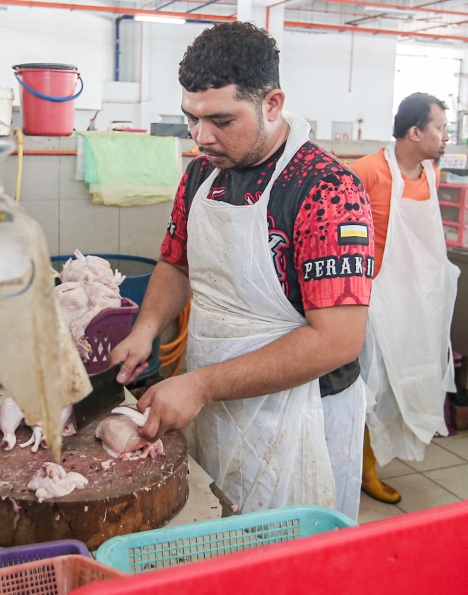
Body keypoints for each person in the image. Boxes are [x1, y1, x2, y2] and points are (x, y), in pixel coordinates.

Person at [110, 22, 374, 520]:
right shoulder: (201, 173)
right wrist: (145, 330)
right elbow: (176, 260)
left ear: (272, 104)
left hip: (301, 417)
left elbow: (338, 340)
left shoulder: (327, 192)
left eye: (221, 121)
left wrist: (202, 385)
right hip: (211, 401)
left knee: (289, 569)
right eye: (191, 118)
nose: (200, 137)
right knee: (216, 535)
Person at [349, 93, 460, 504]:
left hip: (416, 300)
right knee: (370, 386)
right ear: (415, 132)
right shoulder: (367, 173)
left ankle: (374, 459)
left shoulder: (432, 173)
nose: (445, 136)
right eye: (440, 128)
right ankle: (362, 467)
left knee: (401, 385)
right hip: (374, 300)